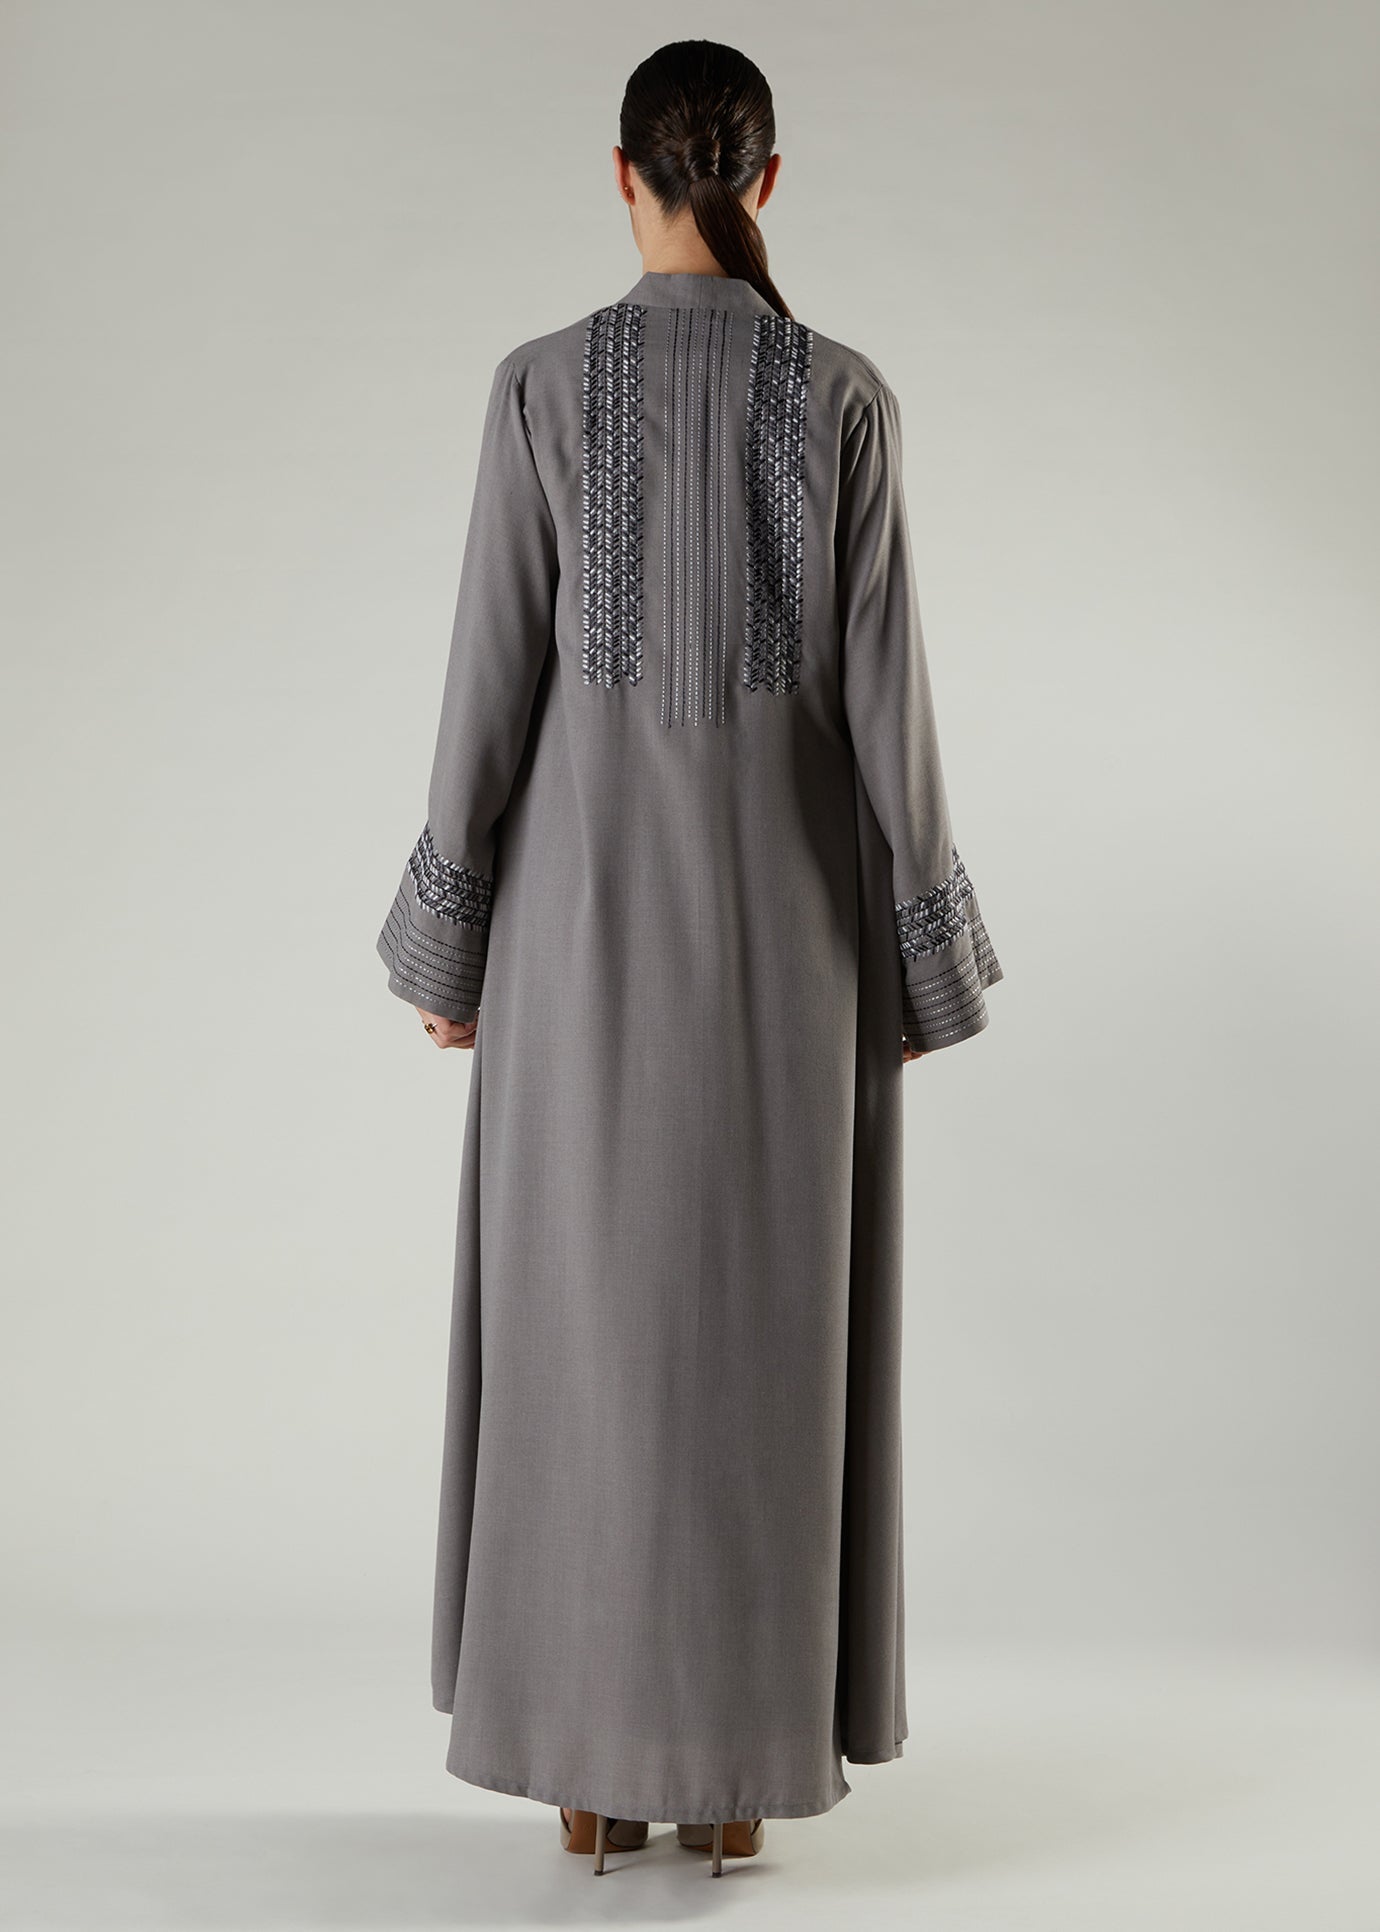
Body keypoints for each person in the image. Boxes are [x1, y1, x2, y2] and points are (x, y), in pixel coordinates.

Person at [375, 36, 1004, 1880]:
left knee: (579, 1338)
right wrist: (923, 966)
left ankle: (590, 1768)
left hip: (575, 965)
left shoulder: (536, 389)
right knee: (761, 1351)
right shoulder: (847, 397)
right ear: (767, 180)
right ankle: (737, 1770)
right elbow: (894, 716)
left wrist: (448, 944)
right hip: (794, 972)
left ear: (622, 173)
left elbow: (485, 690)